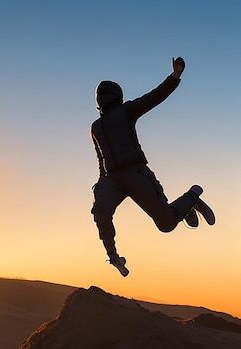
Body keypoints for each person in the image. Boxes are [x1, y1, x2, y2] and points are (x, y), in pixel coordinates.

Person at [90, 57, 215, 277]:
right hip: (111, 179)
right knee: (100, 211)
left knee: (166, 223)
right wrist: (101, 183)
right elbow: (100, 158)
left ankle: (192, 197)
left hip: (136, 172)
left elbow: (153, 98)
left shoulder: (126, 111)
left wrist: (174, 78)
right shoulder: (96, 127)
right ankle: (114, 256)